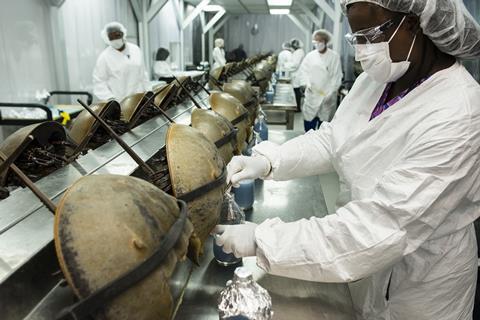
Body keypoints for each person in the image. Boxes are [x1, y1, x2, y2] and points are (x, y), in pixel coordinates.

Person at [215, 0, 480, 319]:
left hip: (420, 287)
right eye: (357, 40)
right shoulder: (380, 81)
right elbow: (334, 139)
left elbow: (380, 227)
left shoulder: (459, 114)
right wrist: (269, 161)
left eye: (369, 36)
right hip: (358, 265)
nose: (360, 53)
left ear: (412, 25)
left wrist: (263, 240)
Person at [92, 22, 150, 101]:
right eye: (111, 37)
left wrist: (148, 91)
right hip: (119, 102)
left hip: (139, 100)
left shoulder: (135, 49)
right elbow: (99, 82)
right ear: (107, 38)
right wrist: (110, 99)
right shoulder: (104, 57)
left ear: (123, 34)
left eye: (118, 35)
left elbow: (143, 74)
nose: (115, 39)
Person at [300, 29, 343, 131]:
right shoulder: (310, 56)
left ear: (326, 42)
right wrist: (307, 84)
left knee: (324, 127)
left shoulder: (334, 57)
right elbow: (303, 72)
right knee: (309, 122)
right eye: (315, 42)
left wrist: (331, 92)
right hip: (312, 94)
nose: (318, 44)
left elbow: (336, 76)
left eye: (320, 41)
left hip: (326, 96)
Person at [285, 38, 306, 112]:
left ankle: (297, 108)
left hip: (297, 75)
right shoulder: (298, 52)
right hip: (295, 74)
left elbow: (295, 65)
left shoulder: (299, 52)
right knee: (296, 91)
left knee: (297, 91)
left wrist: (286, 65)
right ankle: (297, 107)